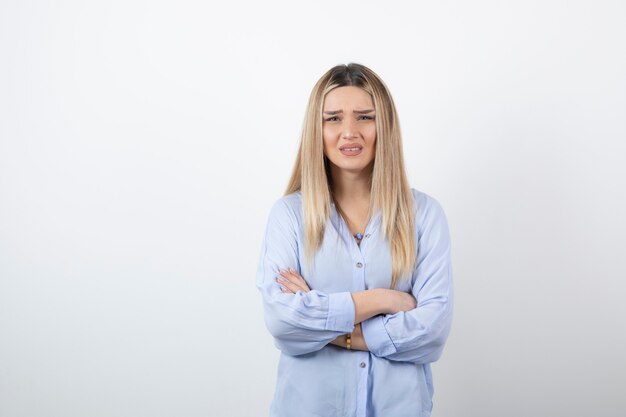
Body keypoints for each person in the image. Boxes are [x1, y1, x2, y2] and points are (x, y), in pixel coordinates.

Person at [255, 62, 454, 417]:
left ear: (385, 127)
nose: (349, 132)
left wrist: (326, 325)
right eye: (333, 118)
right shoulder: (288, 216)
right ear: (316, 130)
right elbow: (283, 323)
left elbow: (432, 332)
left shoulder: (424, 215)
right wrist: (383, 299)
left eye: (365, 117)